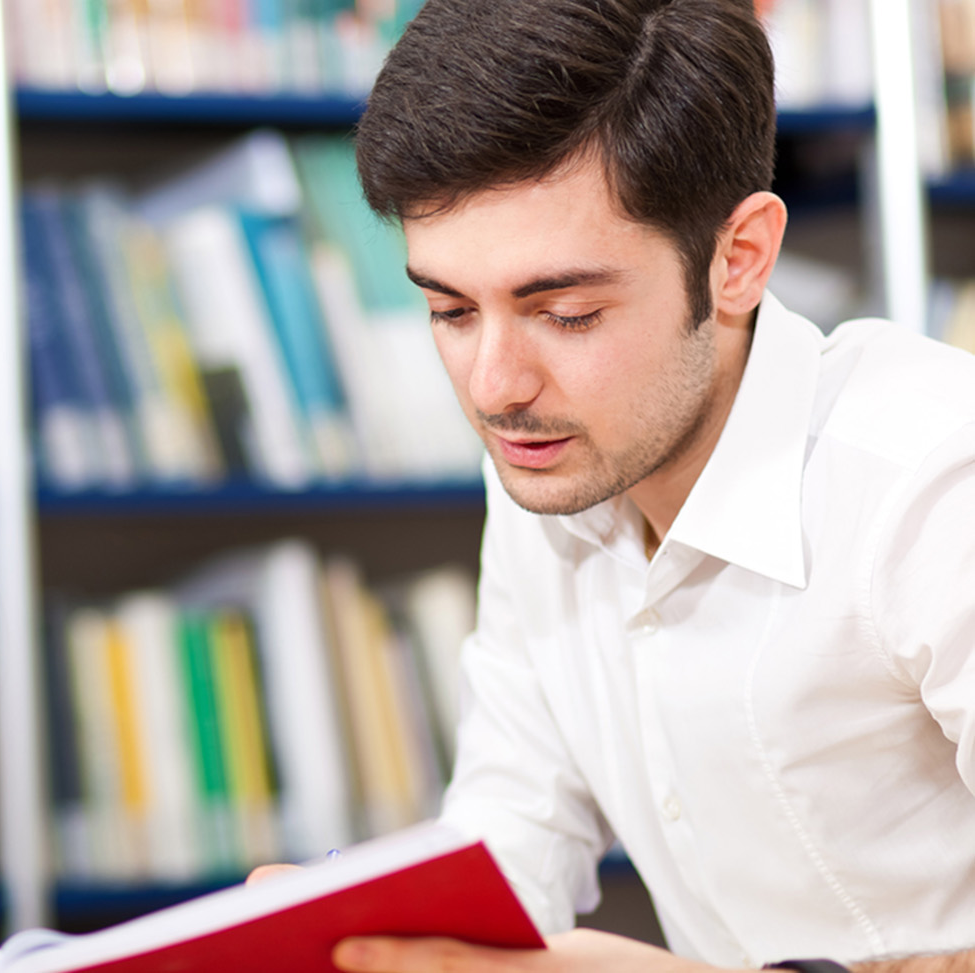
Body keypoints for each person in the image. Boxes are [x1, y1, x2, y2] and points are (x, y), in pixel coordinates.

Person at [324, 1, 975, 971]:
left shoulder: (933, 483)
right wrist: (363, 931)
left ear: (738, 258)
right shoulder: (552, 460)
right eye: (450, 310)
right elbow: (513, 828)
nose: (495, 389)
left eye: (569, 312)